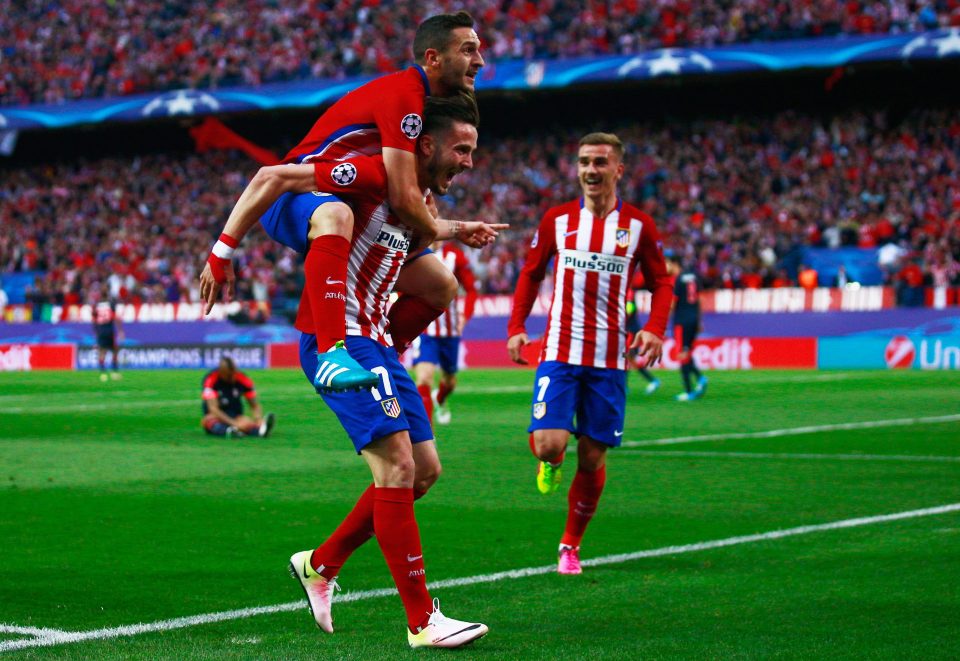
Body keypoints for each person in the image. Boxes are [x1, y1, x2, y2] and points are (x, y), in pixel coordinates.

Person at [286, 94, 490, 648]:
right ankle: (422, 621)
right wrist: (223, 250)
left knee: (423, 471)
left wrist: (450, 229)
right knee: (397, 467)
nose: (469, 161)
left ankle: (320, 564)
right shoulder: (370, 176)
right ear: (424, 144)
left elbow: (413, 245)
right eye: (461, 149)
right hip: (341, 337)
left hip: (379, 344)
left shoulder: (415, 199)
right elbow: (282, 181)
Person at [199, 11, 486, 392]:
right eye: (468, 51)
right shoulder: (405, 97)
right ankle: (332, 353)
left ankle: (384, 351)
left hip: (342, 197)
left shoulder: (418, 107)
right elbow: (401, 197)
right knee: (337, 215)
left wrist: (449, 225)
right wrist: (221, 253)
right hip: (295, 196)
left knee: (441, 285)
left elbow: (411, 198)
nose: (479, 61)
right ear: (433, 58)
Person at [506, 132, 673, 575]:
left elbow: (662, 282)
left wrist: (655, 329)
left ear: (618, 169)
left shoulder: (638, 226)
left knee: (594, 457)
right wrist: (517, 328)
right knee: (548, 444)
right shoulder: (557, 220)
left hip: (610, 359)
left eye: (600, 162)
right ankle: (551, 461)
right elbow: (531, 273)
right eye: (583, 162)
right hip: (560, 351)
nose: (590, 171)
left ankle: (569, 546)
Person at [412, 240, 477, 425]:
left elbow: (472, 289)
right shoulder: (416, 254)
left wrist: (465, 316)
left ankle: (440, 398)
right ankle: (427, 435)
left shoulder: (455, 256)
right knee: (424, 378)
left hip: (450, 331)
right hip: (425, 330)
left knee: (450, 381)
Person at [665, 251, 707, 401]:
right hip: (694, 319)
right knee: (687, 352)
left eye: (666, 263)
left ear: (673, 263)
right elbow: (699, 300)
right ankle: (700, 378)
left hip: (681, 321)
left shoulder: (677, 280)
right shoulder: (693, 276)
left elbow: (672, 303)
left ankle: (688, 392)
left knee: (681, 355)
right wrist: (699, 320)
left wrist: (663, 321)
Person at [201, 356, 276, 438]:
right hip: (217, 415)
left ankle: (260, 431)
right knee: (208, 420)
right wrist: (234, 423)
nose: (232, 377)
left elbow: (255, 405)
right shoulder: (211, 380)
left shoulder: (243, 379)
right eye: (229, 375)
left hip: (235, 414)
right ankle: (230, 431)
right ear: (221, 372)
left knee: (246, 422)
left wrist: (258, 419)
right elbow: (213, 409)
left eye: (234, 374)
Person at [92, 286, 122, 381]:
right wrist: (120, 330)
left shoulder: (96, 305)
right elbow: (115, 318)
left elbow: (94, 320)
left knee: (102, 352)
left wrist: (96, 332)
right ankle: (114, 373)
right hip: (109, 329)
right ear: (107, 293)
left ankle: (103, 374)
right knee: (114, 351)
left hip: (101, 330)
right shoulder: (111, 304)